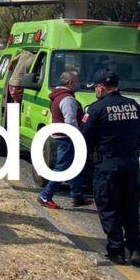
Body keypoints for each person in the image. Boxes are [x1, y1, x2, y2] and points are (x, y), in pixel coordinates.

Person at [81, 69, 140, 265]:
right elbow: (139, 134)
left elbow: (85, 138)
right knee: (130, 206)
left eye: (95, 89)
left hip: (107, 166)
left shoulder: (96, 109)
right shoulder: (135, 106)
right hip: (131, 164)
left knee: (109, 206)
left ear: (101, 88)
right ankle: (135, 248)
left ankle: (116, 250)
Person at [37, 71, 93, 210]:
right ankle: (46, 195)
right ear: (70, 83)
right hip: (66, 137)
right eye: (77, 81)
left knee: (73, 167)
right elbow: (70, 120)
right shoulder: (68, 99)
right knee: (63, 167)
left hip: (61, 135)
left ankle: (77, 196)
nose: (79, 83)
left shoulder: (58, 96)